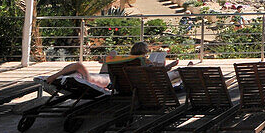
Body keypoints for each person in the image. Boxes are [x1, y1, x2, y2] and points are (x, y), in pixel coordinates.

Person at [43, 41, 177, 88]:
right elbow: (78, 66)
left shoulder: (123, 61)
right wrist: (169, 66)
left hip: (110, 77)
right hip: (111, 81)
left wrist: (56, 75)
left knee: (112, 55)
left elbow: (76, 67)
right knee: (174, 73)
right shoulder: (90, 79)